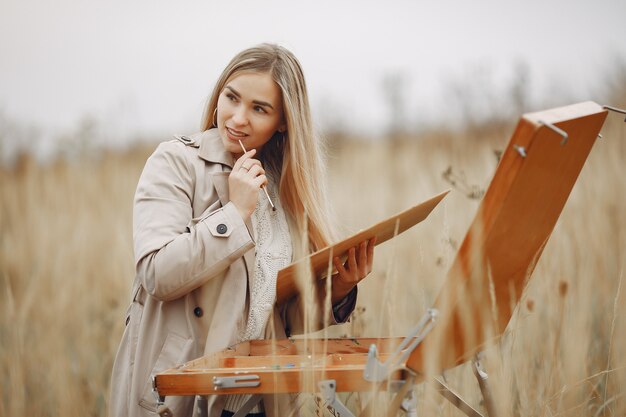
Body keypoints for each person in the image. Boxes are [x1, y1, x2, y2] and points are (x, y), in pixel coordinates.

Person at [109, 43, 375, 417]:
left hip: (262, 402)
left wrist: (340, 291)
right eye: (231, 98)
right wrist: (234, 213)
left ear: (284, 121)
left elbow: (276, 317)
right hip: (181, 397)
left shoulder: (285, 188)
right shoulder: (176, 163)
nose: (237, 118)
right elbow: (157, 274)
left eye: (259, 109)